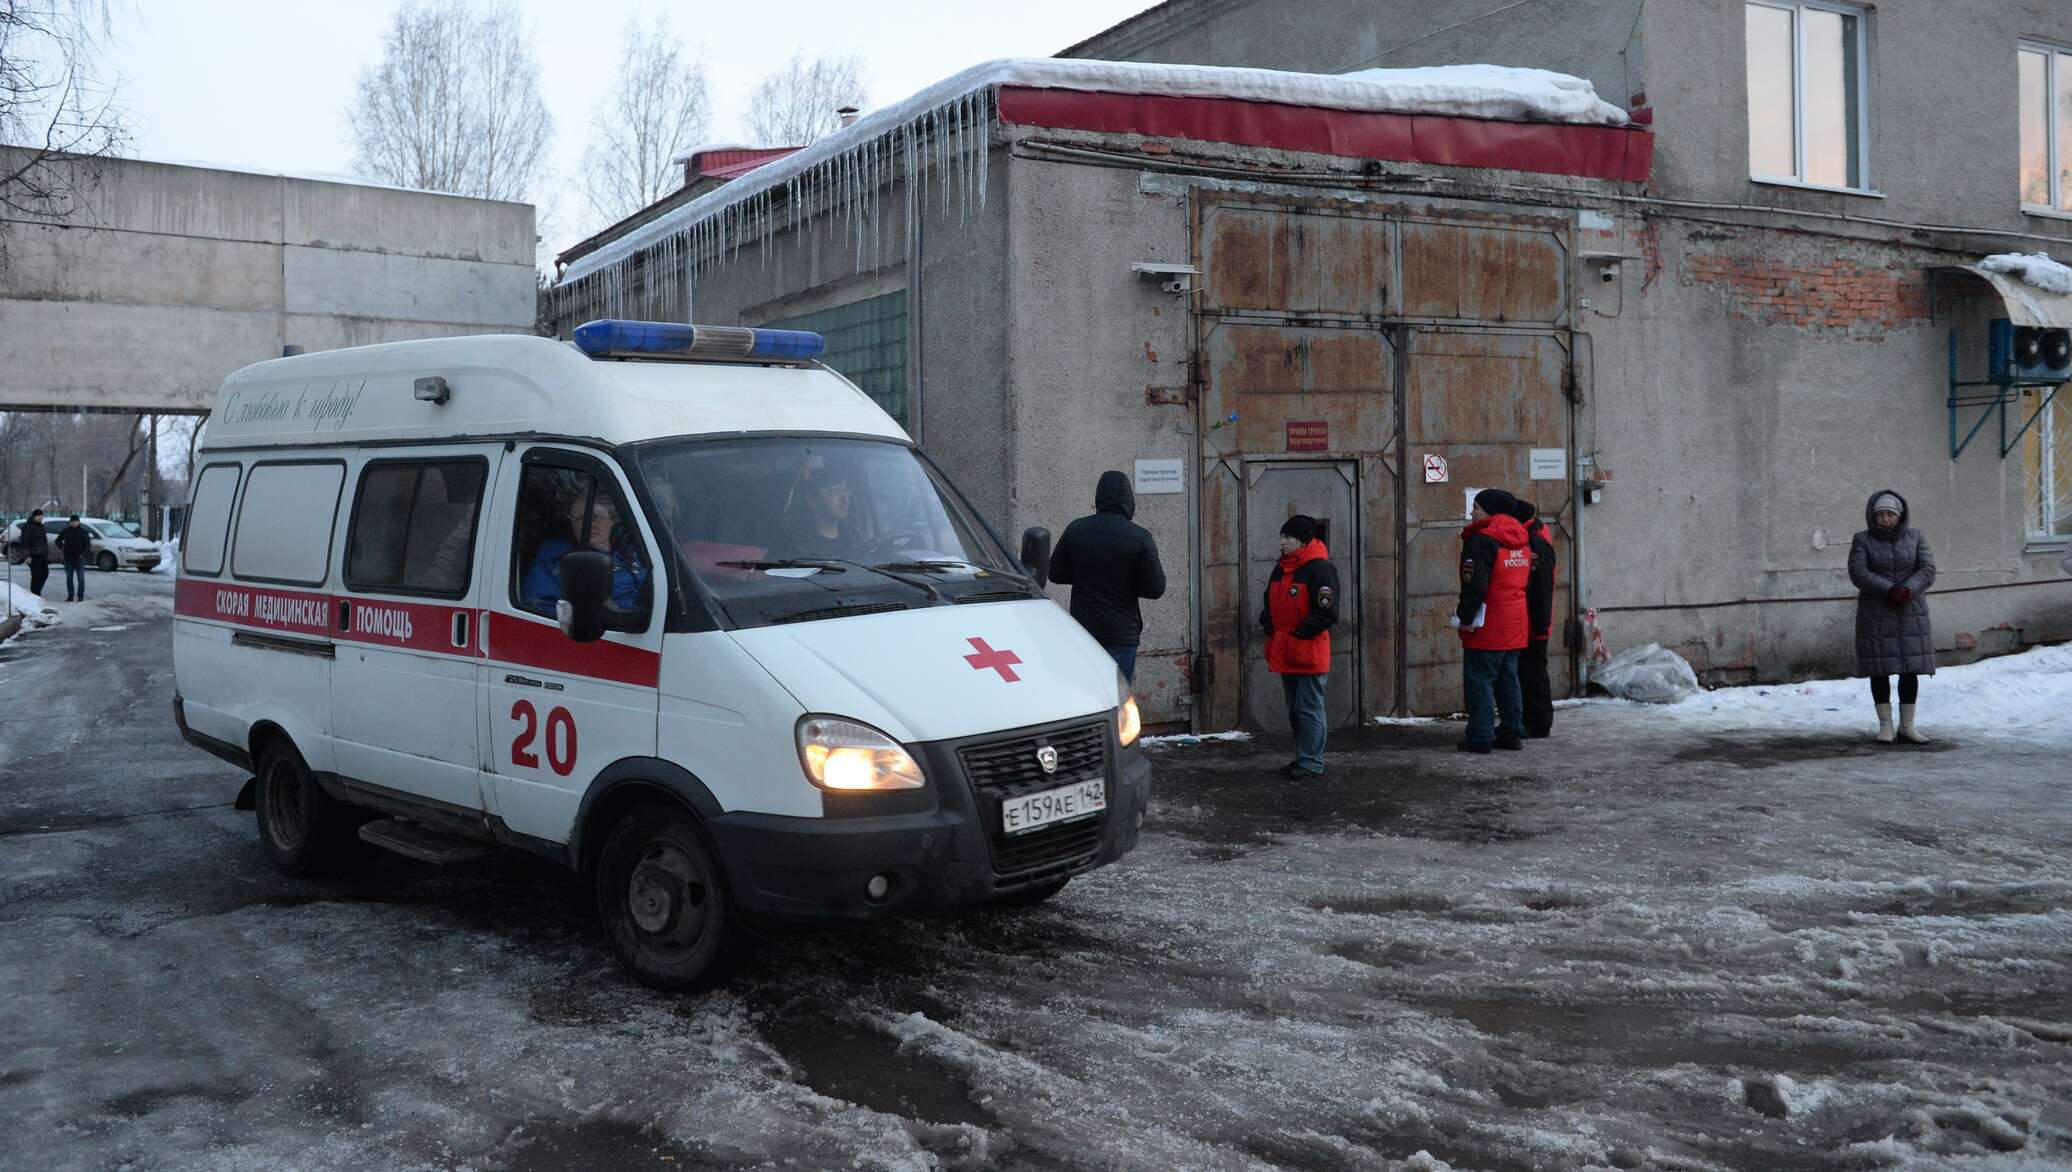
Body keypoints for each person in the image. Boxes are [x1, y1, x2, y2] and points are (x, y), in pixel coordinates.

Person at [1047, 471, 1167, 682]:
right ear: (1129, 500)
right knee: (1119, 699)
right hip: (1121, 635)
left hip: (1083, 632)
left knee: (1085, 694)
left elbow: (1055, 573)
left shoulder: (1076, 529)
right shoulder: (1140, 537)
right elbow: (1155, 589)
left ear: (1098, 498)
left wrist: (1085, 575)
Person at [1848, 490, 1936, 744]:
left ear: (1900, 516)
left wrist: (1908, 588)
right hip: (1877, 612)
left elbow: (1927, 569)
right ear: (1873, 517)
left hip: (1910, 610)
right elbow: (1858, 572)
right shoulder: (1862, 540)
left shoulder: (1916, 537)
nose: (1885, 519)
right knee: (1880, 669)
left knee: (1910, 669)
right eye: (1881, 515)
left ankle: (1907, 726)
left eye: (1890, 514)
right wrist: (1890, 589)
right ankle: (1885, 726)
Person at [1259, 515, 1339, 778]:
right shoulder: (1282, 568)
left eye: (1287, 538)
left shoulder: (1320, 569)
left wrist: (1300, 632)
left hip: (1307, 651)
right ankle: (1302, 756)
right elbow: (1268, 601)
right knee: (1294, 708)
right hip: (1286, 649)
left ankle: (1312, 761)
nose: (1282, 542)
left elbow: (1326, 613)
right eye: (1281, 537)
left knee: (1309, 707)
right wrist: (1268, 624)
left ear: (1303, 541)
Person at [1456, 489, 1532, 754]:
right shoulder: (1522, 539)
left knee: (1480, 681)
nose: (1472, 512)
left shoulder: (1482, 540)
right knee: (1508, 680)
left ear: (1489, 510)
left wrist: (1465, 618)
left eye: (1476, 507)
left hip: (1488, 624)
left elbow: (1474, 585)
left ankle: (1480, 736)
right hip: (1515, 623)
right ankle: (1511, 732)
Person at [1509, 498, 1557, 738]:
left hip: (1534, 623)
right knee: (1527, 672)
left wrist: (1539, 625)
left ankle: (1538, 724)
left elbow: (1541, 589)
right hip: (1529, 621)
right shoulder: (1534, 535)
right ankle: (1532, 721)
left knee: (1533, 674)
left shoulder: (1536, 543)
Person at [783, 467, 858, 560]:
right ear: (812, 500)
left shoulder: (857, 538)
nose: (845, 500)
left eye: (846, 491)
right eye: (834, 492)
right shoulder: (792, 545)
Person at [55, 515, 91, 602]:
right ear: (70, 522)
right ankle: (70, 596)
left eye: (76, 521)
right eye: (72, 521)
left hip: (80, 558)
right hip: (68, 558)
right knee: (69, 578)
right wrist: (63, 547)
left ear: (79, 522)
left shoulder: (83, 531)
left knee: (81, 578)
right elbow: (57, 541)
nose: (74, 523)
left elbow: (88, 545)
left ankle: (80, 596)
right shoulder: (66, 531)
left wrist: (83, 554)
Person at [19, 509, 50, 598]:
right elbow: (24, 542)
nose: (40, 517)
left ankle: (36, 593)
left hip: (43, 555)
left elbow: (44, 541)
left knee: (45, 574)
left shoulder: (42, 527)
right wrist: (27, 556)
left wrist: (47, 551)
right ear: (33, 516)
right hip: (33, 555)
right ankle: (35, 595)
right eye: (38, 515)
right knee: (36, 575)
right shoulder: (27, 527)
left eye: (41, 515)